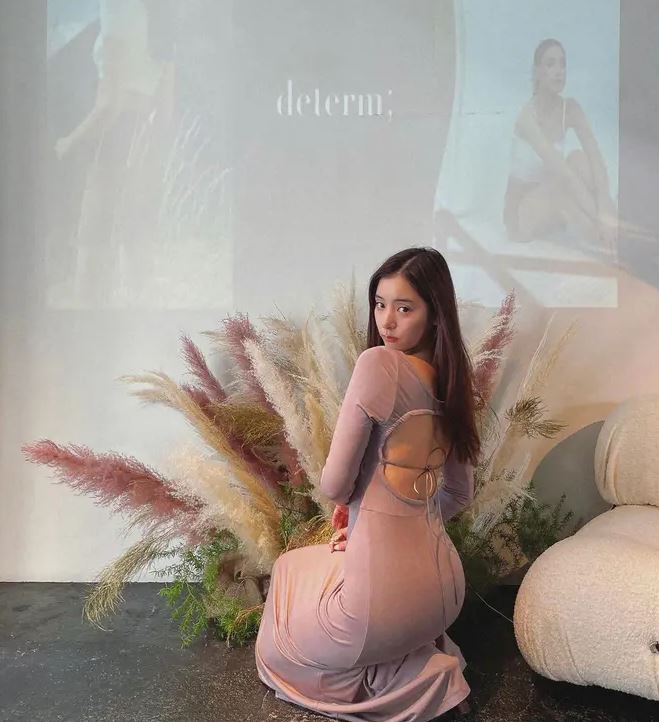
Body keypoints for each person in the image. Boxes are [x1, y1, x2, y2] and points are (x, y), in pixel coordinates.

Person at [255, 247, 480, 721]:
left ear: (435, 315)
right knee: (305, 565)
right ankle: (415, 660)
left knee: (279, 643)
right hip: (445, 595)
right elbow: (459, 494)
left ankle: (415, 679)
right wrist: (384, 525)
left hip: (378, 606)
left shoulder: (379, 364)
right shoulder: (454, 384)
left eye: (405, 308)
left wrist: (363, 518)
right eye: (380, 304)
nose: (387, 321)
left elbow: (335, 484)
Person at [55, 0, 174, 305]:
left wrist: (67, 143)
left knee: (91, 253)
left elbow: (110, 105)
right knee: (135, 259)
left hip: (110, 142)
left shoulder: (117, 9)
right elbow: (166, 112)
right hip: (144, 142)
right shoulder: (159, 13)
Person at [503, 38, 618, 254]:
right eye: (550, 64)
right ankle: (605, 232)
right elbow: (565, 175)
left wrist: (605, 207)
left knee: (580, 159)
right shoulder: (527, 117)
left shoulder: (570, 108)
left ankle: (609, 228)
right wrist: (599, 216)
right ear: (537, 72)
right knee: (565, 184)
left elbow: (596, 158)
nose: (559, 71)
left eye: (562, 64)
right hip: (522, 210)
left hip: (553, 193)